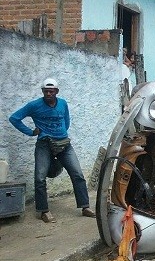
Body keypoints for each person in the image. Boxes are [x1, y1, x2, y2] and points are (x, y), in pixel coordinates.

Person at [9, 78, 95, 223]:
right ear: (42, 92)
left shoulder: (62, 103)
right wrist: (31, 132)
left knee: (78, 174)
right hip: (44, 144)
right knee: (40, 177)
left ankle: (85, 206)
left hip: (64, 144)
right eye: (46, 91)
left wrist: (60, 132)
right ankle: (43, 210)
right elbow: (14, 118)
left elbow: (66, 120)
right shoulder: (34, 105)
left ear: (56, 91)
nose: (48, 93)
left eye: (51, 91)